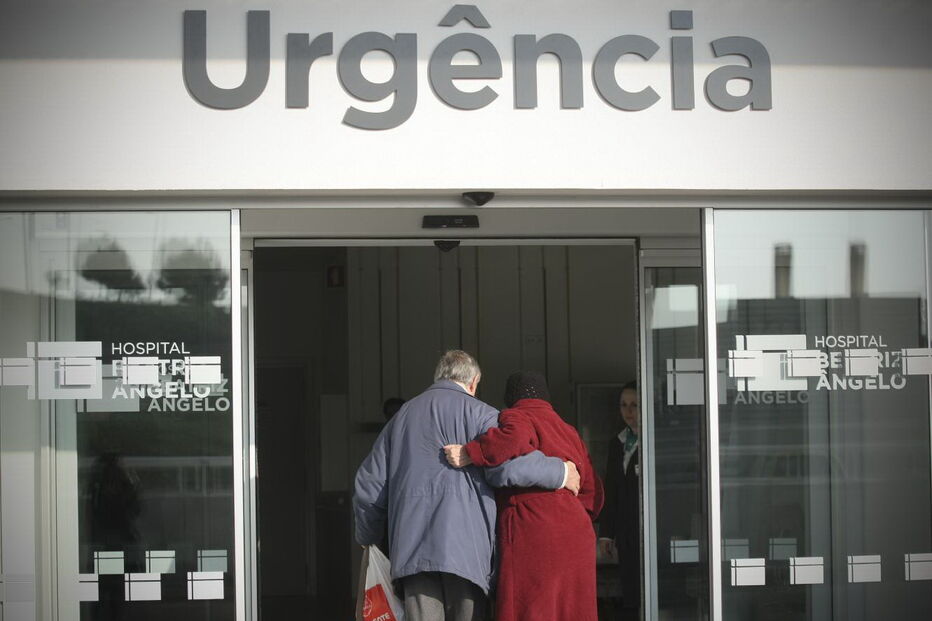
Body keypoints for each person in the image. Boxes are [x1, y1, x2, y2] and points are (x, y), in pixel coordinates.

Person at [353, 350, 580, 621]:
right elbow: (508, 466)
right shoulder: (484, 416)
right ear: (474, 382)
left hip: (412, 554)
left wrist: (369, 538)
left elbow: (368, 487)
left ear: (438, 377)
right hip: (467, 555)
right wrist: (560, 472)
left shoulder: (401, 418)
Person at [443, 371, 604, 621]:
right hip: (577, 532)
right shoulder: (568, 430)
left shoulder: (516, 416)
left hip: (533, 527)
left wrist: (471, 451)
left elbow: (512, 440)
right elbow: (594, 493)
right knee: (572, 611)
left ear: (511, 398)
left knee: (530, 608)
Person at [599, 381, 641, 620]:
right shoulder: (618, 442)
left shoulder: (654, 439)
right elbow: (611, 489)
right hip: (626, 531)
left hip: (649, 529)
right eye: (624, 405)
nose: (629, 411)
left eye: (634, 405)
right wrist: (607, 533)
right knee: (631, 590)